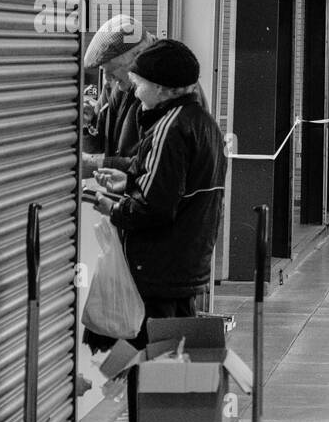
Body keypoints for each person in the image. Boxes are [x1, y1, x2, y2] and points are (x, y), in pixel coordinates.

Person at [92, 39, 228, 348]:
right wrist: (127, 182)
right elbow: (177, 186)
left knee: (149, 359)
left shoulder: (170, 127)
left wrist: (111, 209)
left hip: (159, 267)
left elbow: (155, 206)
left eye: (139, 85)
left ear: (162, 89)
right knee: (172, 361)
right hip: (185, 264)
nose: (136, 92)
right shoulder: (204, 124)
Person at [82, 15, 156, 178]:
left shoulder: (167, 88)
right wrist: (87, 124)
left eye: (112, 70)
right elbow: (98, 145)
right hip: (123, 196)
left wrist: (96, 166)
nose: (107, 79)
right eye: (103, 70)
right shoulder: (114, 84)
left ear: (138, 56)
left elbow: (153, 164)